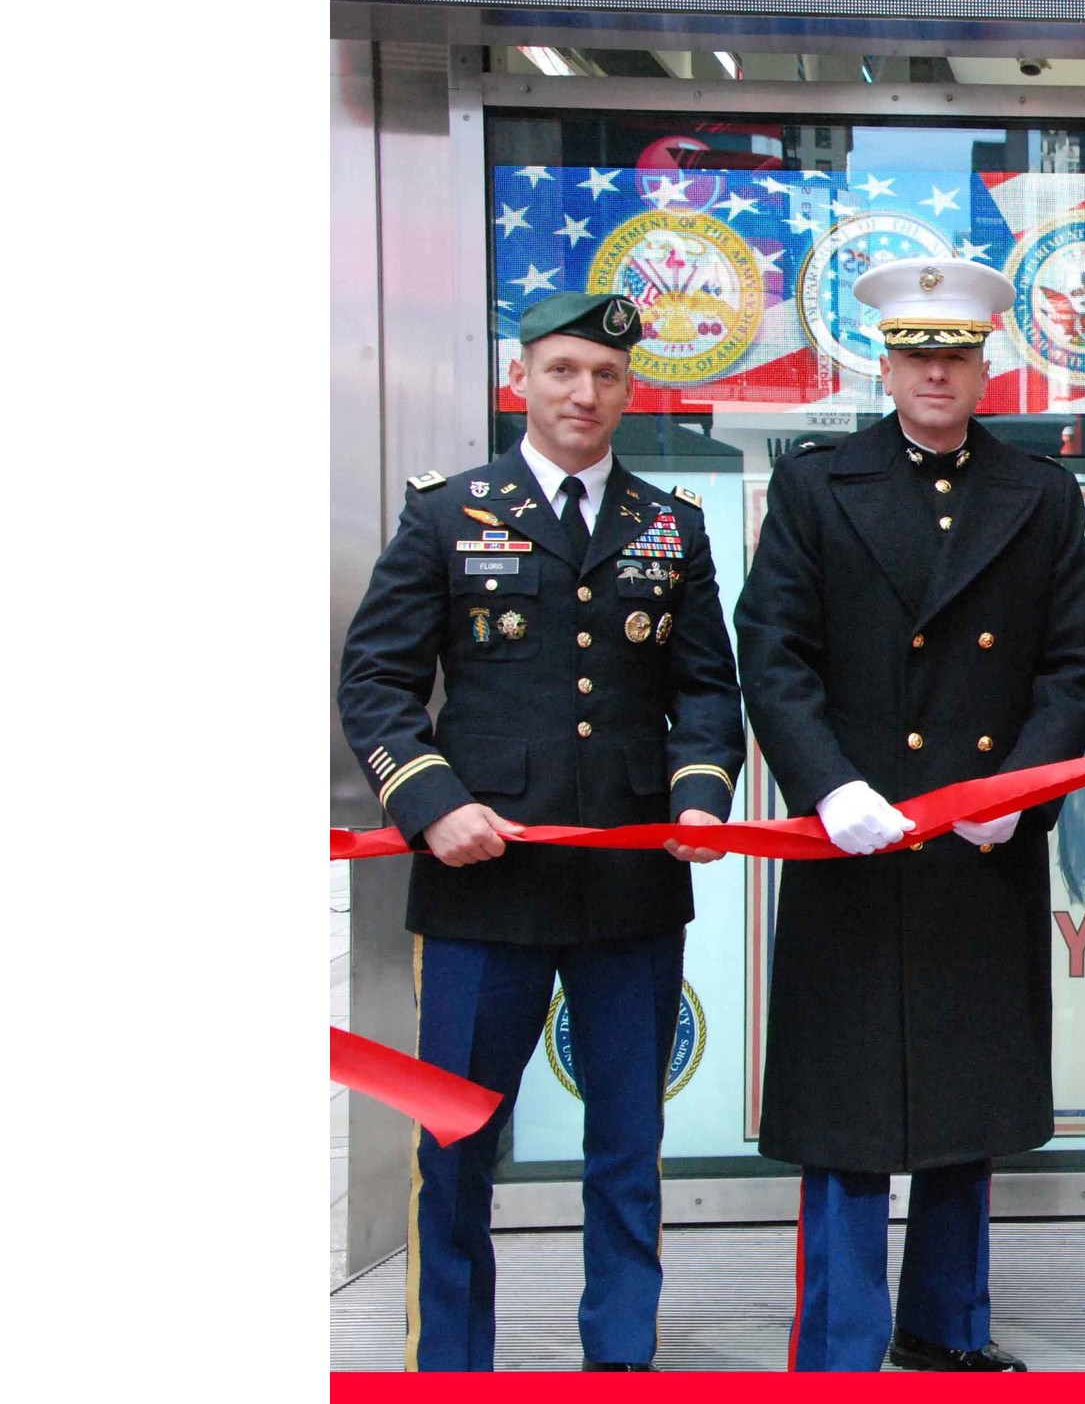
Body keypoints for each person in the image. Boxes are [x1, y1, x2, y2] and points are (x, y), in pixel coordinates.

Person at [336, 291, 745, 1372]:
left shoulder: (670, 524)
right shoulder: (448, 512)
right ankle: (450, 1368)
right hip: (481, 885)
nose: (585, 393)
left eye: (607, 375)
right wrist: (431, 801)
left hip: (629, 888)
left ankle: (619, 1358)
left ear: (629, 391)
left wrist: (699, 794)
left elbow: (706, 689)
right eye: (563, 370)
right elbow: (375, 680)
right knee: (456, 1143)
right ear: (519, 380)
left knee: (628, 1144)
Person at [732, 257, 1085, 1372]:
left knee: (965, 1098)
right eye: (915, 353)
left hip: (978, 844)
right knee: (843, 1110)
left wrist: (1018, 791)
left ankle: (946, 1328)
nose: (935, 371)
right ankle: (841, 1344)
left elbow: (1072, 664)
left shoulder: (1039, 493)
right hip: (852, 838)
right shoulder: (816, 486)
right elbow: (774, 652)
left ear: (984, 365)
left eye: (954, 353)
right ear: (885, 366)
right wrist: (827, 786)